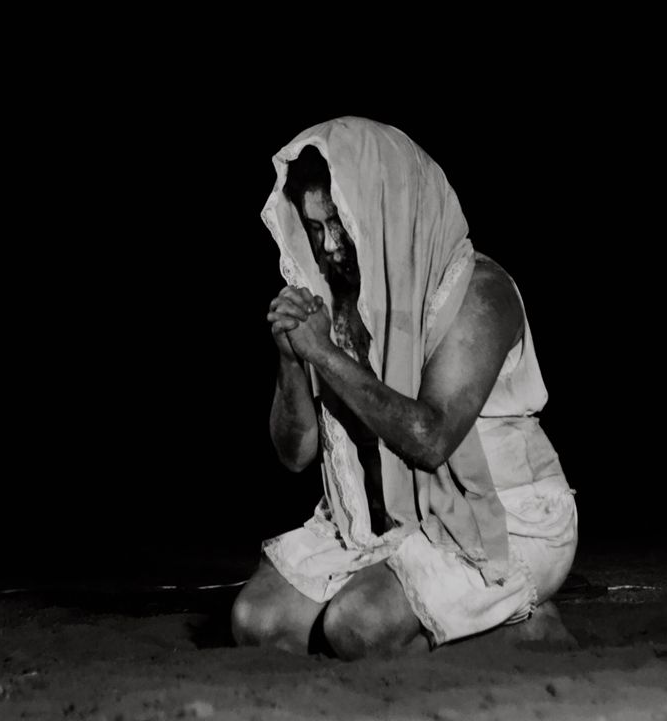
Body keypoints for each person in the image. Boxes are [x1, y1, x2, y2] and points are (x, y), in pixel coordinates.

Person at [230, 116, 577, 659]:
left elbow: (429, 439)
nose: (330, 247)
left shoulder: (480, 292)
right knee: (258, 622)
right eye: (315, 230)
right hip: (385, 521)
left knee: (357, 627)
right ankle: (456, 619)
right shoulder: (340, 299)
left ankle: (523, 623)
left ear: (387, 212)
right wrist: (290, 357)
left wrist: (322, 352)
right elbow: (295, 455)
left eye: (340, 225)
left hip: (502, 520)